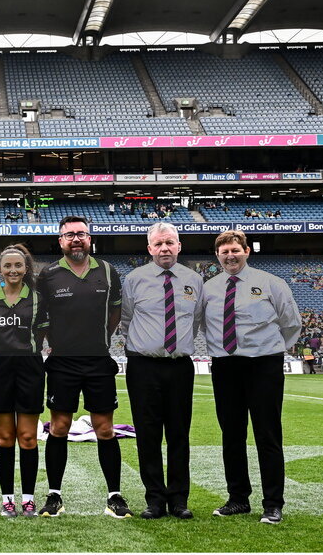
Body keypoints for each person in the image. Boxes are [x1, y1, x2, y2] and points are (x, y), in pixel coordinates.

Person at [36, 215, 132, 518]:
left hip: (99, 360)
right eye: (69, 235)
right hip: (62, 361)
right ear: (60, 241)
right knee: (60, 427)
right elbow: (44, 318)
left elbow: (115, 312)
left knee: (105, 429)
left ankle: (114, 496)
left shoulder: (108, 270)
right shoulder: (47, 275)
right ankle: (54, 496)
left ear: (90, 238)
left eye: (81, 234)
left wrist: (100, 339)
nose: (76, 239)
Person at [203, 230, 301, 525]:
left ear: (247, 251)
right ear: (217, 256)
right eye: (224, 252)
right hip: (225, 366)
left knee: (267, 435)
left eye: (235, 250)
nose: (230, 256)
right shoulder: (209, 288)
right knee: (232, 435)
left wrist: (269, 350)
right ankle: (238, 499)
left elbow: (291, 323)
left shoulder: (271, 283)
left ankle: (273, 503)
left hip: (263, 366)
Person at [120, 223, 203, 520]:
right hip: (144, 365)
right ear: (149, 249)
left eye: (170, 242)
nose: (164, 248)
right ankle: (154, 499)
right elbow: (127, 320)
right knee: (148, 434)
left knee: (179, 435)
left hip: (179, 365)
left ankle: (179, 499)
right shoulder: (134, 279)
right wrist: (148, 345)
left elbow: (194, 321)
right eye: (158, 244)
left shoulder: (194, 279)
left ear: (179, 246)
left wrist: (175, 346)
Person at [0, 244, 46, 518]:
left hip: (30, 368)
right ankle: (8, 498)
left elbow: (42, 337)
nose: (13, 270)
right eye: (7, 266)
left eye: (18, 265)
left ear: (26, 268)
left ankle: (29, 499)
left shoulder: (38, 300)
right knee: (5, 437)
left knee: (28, 438)